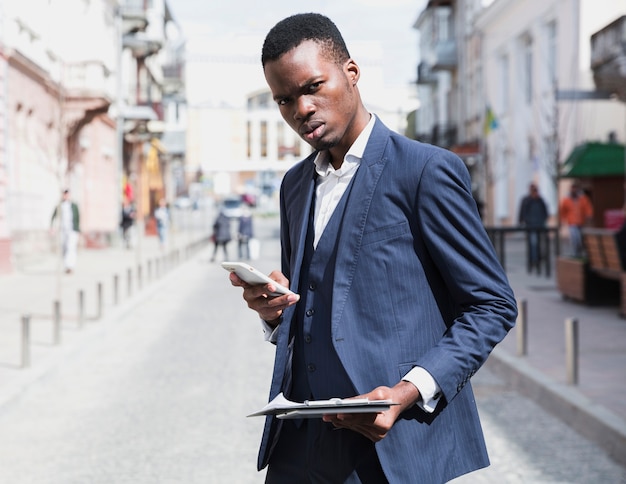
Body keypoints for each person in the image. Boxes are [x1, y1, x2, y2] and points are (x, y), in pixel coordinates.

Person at [227, 13, 517, 483]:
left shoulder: (425, 172)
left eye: (313, 86)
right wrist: (273, 311)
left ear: (352, 74)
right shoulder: (294, 185)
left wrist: (407, 391)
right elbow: (318, 309)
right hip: (299, 447)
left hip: (394, 448)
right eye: (284, 99)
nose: (301, 108)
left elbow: (492, 306)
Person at [518, 183, 549, 273]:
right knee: (533, 243)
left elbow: (545, 212)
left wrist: (543, 220)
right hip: (531, 226)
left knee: (538, 244)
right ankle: (533, 260)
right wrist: (522, 221)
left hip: (539, 226)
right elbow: (522, 211)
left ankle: (537, 259)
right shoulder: (527, 200)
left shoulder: (540, 200)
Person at [559, 181, 593, 257]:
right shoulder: (566, 199)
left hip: (581, 222)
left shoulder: (582, 198)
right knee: (575, 238)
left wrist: (589, 215)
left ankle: (579, 252)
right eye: (573, 188)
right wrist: (562, 220)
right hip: (572, 222)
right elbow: (562, 211)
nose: (574, 190)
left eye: (575, 188)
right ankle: (575, 253)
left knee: (580, 239)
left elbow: (587, 207)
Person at [50, 189, 80, 274]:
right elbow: (54, 216)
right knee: (64, 248)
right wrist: (52, 227)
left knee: (71, 247)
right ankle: (66, 265)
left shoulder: (74, 206)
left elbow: (77, 218)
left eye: (67, 194)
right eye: (65, 194)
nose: (66, 196)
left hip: (72, 230)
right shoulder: (60, 206)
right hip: (63, 230)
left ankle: (70, 266)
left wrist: (78, 230)